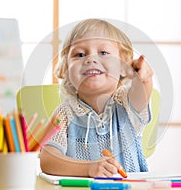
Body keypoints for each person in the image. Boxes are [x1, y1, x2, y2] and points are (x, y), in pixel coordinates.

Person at [40, 18, 153, 177]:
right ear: (66, 68)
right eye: (80, 54)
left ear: (123, 65)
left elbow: (141, 93)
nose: (91, 59)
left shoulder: (125, 104)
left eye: (103, 53)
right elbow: (48, 159)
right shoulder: (64, 113)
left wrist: (143, 77)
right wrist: (88, 169)